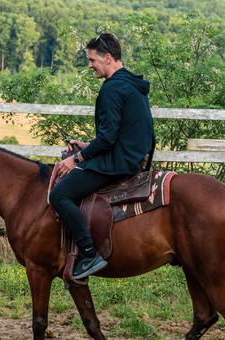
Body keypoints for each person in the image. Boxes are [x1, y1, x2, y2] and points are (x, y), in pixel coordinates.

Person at [50, 32, 155, 280]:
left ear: (108, 57)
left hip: (119, 162)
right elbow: (120, 132)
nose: (90, 65)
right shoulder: (131, 84)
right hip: (133, 156)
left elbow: (107, 138)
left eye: (92, 60)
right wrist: (88, 145)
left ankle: (88, 253)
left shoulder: (112, 89)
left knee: (60, 194)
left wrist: (75, 159)